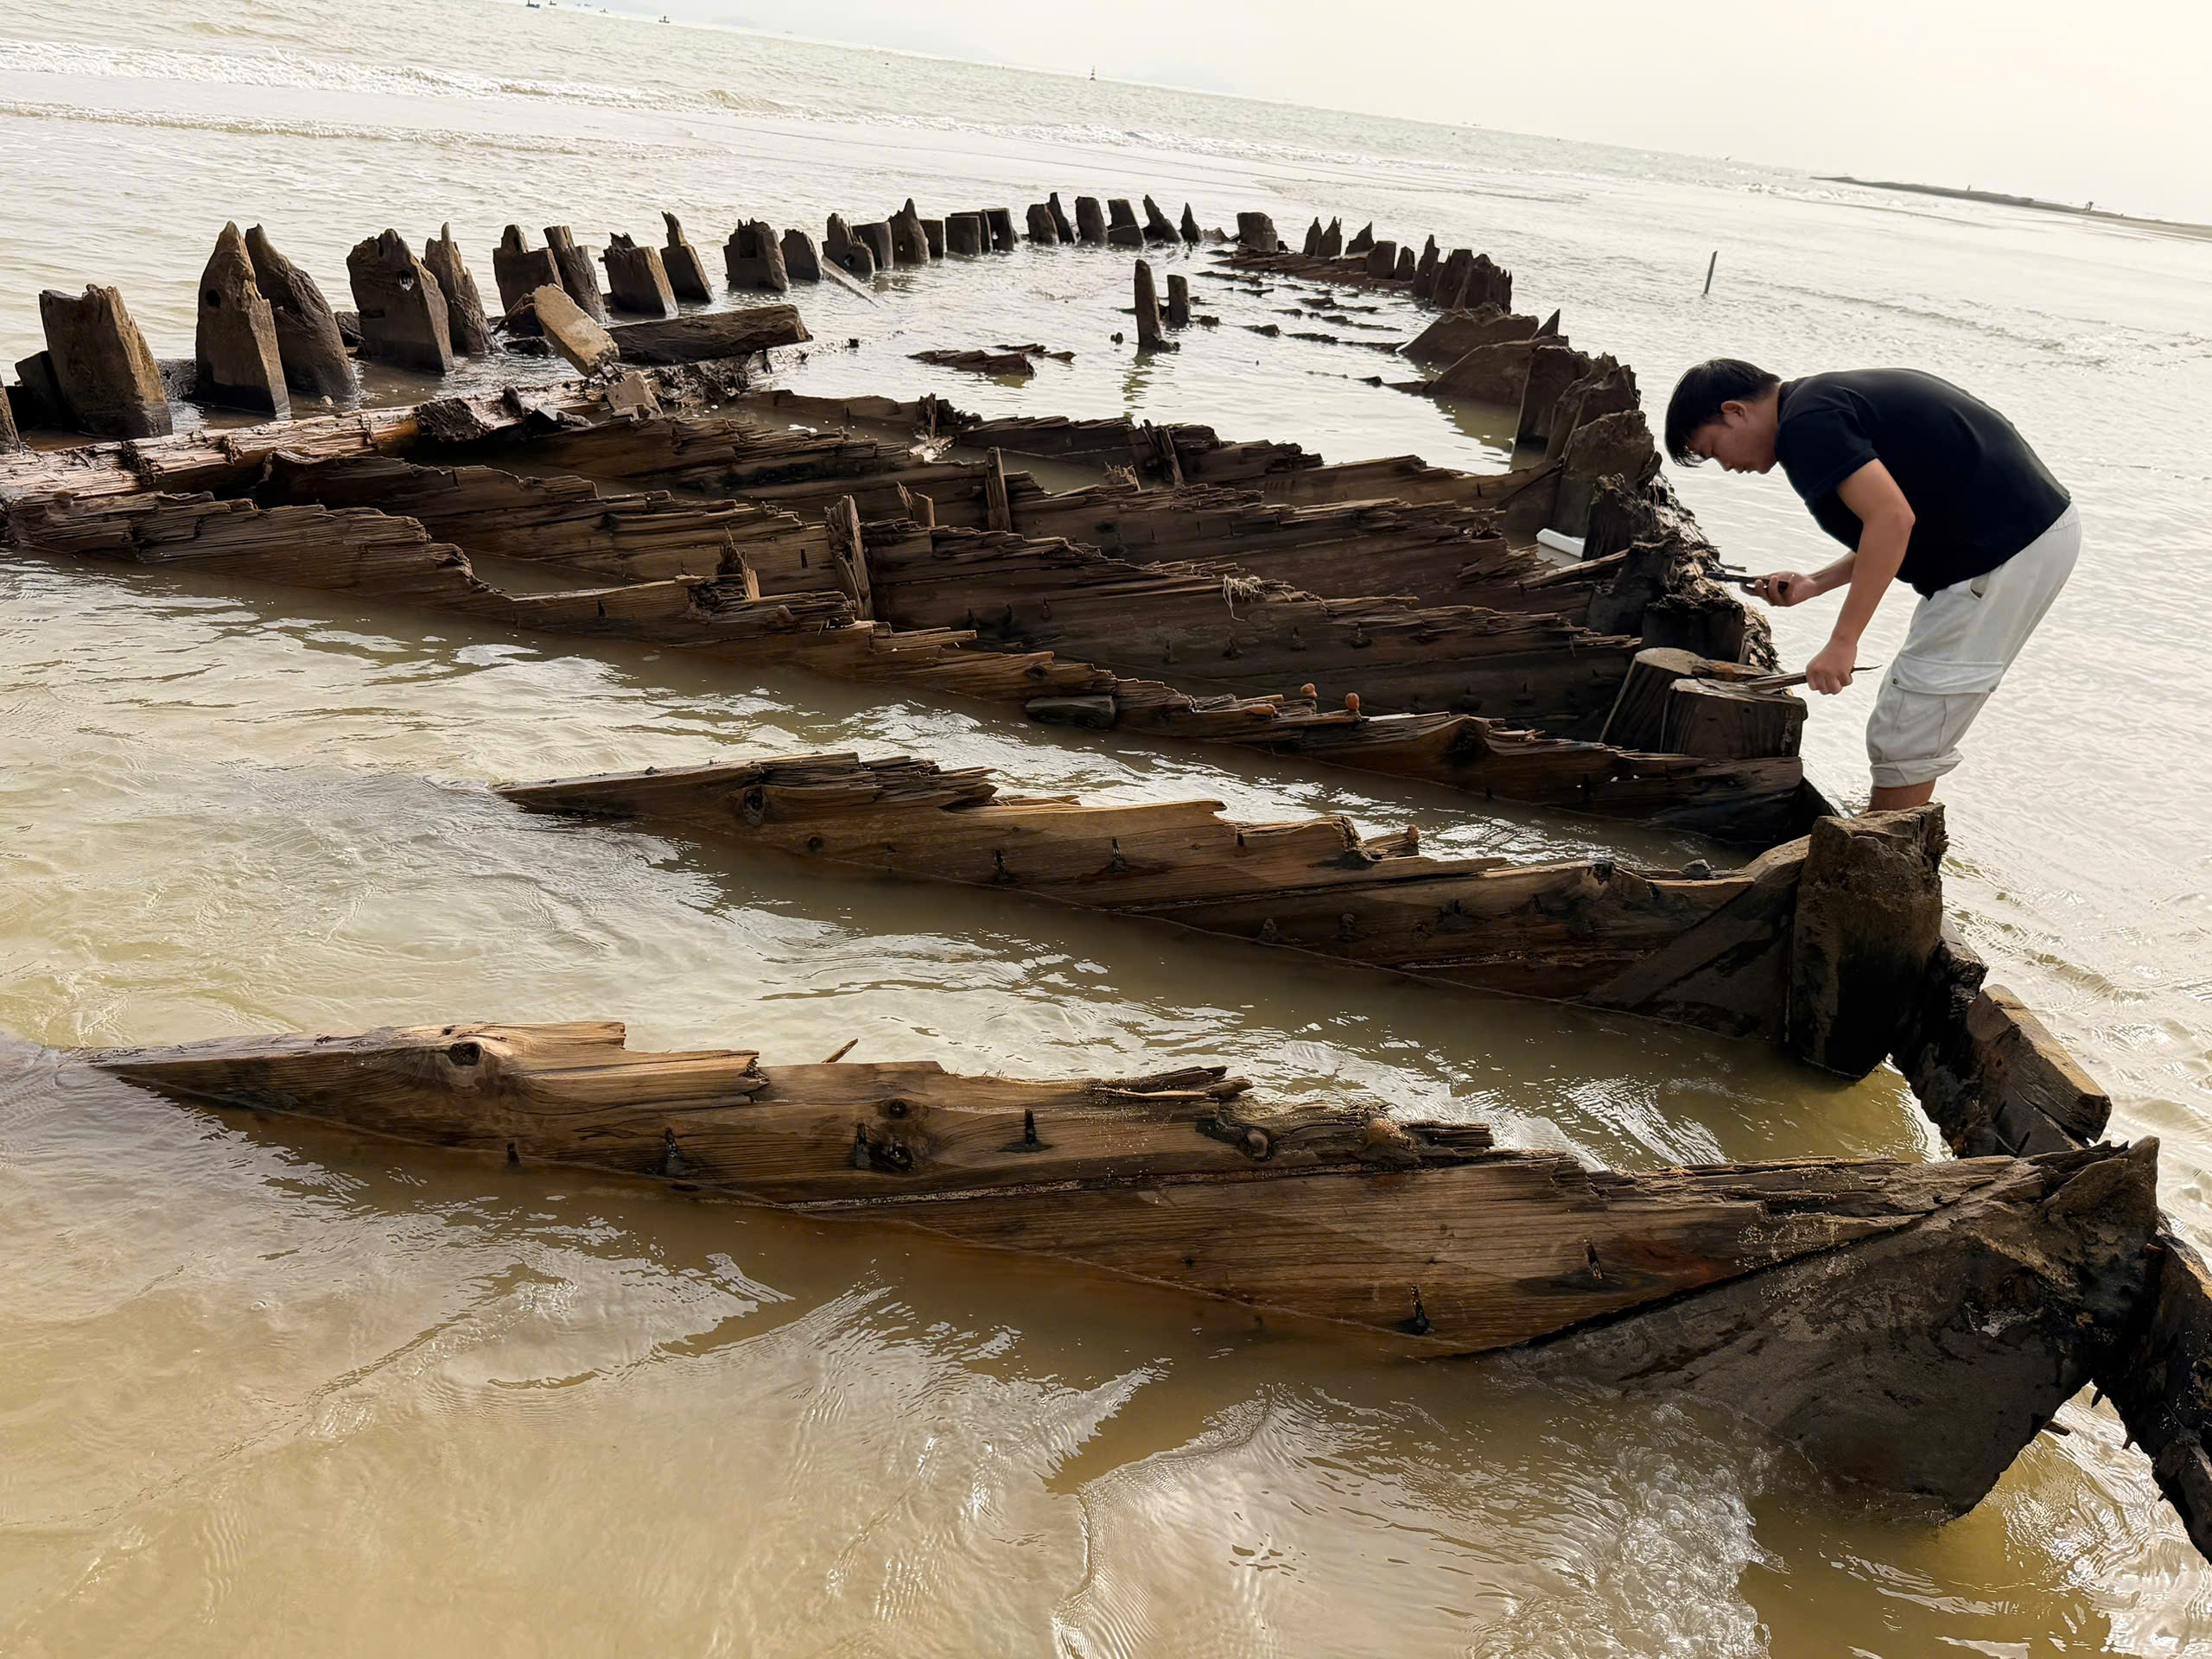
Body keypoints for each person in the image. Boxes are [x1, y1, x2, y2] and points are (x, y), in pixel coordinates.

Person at [1663, 361, 2078, 810]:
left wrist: (1843, 641)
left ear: (1735, 411)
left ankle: (1885, 858)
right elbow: (1898, 519)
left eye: (1712, 448)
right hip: (2025, 536)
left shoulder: (1805, 425)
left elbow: (1893, 521)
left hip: (2006, 549)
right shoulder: (1819, 402)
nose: (1725, 466)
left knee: (1907, 730)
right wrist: (1816, 583)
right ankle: (1888, 834)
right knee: (1910, 721)